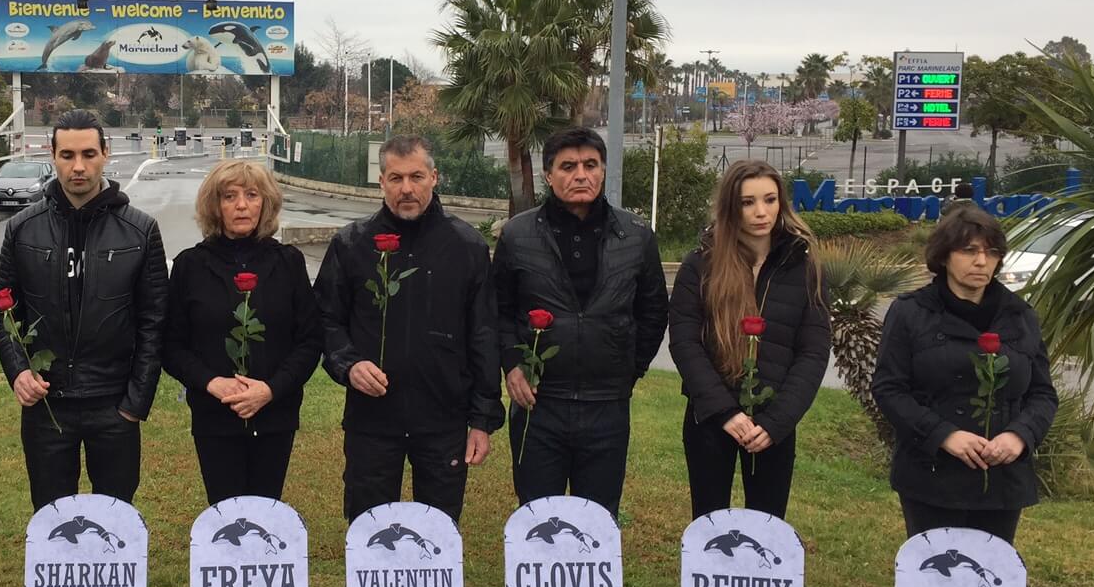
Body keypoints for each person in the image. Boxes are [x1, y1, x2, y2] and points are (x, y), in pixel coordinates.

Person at [315, 135, 503, 523]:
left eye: (416, 176)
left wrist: (482, 418)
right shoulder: (352, 244)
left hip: (443, 419)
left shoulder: (466, 246)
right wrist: (348, 365)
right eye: (396, 178)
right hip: (372, 420)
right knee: (368, 527)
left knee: (439, 531)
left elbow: (483, 334)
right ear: (381, 181)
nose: (407, 189)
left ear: (435, 177)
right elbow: (325, 320)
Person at [0, 109, 167, 507]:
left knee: (116, 517)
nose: (78, 166)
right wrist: (19, 371)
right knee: (52, 517)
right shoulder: (22, 228)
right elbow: (3, 314)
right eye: (67, 155)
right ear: (52, 156)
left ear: (106, 153)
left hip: (113, 403)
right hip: (46, 405)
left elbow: (154, 323)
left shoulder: (141, 231)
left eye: (88, 154)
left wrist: (135, 404)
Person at [492, 126, 669, 517]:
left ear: (603, 171)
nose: (581, 175)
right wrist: (511, 365)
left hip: (607, 405)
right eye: (568, 166)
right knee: (536, 516)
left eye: (591, 165)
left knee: (599, 519)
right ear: (548, 175)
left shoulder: (636, 235)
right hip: (539, 405)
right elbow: (500, 311)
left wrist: (628, 370)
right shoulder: (518, 236)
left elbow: (654, 310)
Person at [872, 205, 1057, 541]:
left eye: (991, 252)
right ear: (944, 256)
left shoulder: (1021, 316)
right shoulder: (910, 313)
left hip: (1001, 478)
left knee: (991, 574)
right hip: (931, 475)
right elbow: (889, 389)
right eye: (969, 251)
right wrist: (944, 435)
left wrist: (1020, 436)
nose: (981, 262)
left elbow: (1042, 393)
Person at [668, 160, 831, 520]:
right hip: (710, 419)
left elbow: (814, 351)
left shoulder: (805, 267)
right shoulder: (700, 265)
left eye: (770, 200)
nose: (761, 212)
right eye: (748, 202)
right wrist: (724, 412)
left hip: (773, 423)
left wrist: (777, 421)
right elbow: (684, 342)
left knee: (769, 526)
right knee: (709, 523)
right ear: (731, 206)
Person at [163, 161, 322, 503]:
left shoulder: (289, 263)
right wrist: (213, 383)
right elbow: (172, 346)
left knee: (267, 511)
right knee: (224, 512)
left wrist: (271, 389)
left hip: (275, 414)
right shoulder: (190, 266)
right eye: (230, 196)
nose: (241, 205)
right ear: (214, 205)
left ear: (265, 203)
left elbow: (310, 340)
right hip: (214, 415)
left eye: (252, 195)